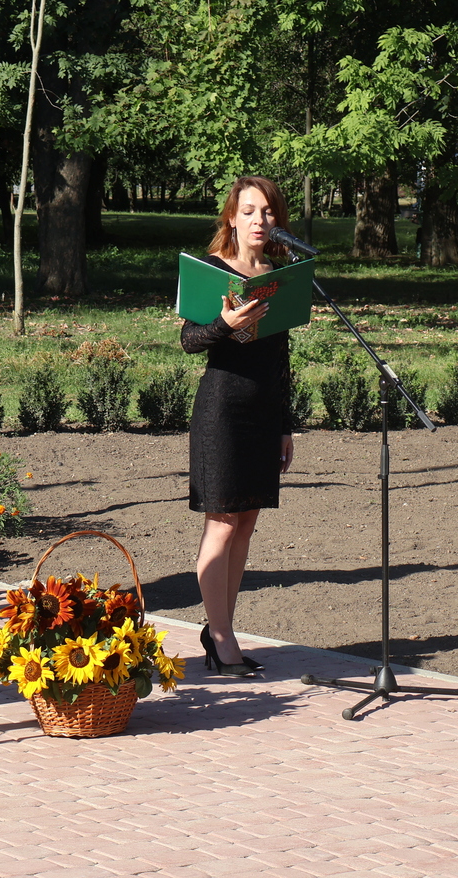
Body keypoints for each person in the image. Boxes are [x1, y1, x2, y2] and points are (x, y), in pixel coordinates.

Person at [180, 176, 296, 677]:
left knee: (246, 522)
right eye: (248, 211)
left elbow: (281, 355)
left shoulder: (278, 274)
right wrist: (225, 325)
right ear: (231, 217)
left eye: (267, 212)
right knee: (223, 521)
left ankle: (221, 628)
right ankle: (222, 638)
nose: (258, 221)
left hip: (264, 413)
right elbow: (189, 341)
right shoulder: (209, 270)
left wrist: (285, 424)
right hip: (222, 412)